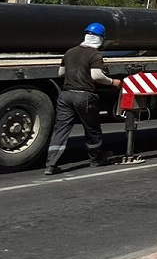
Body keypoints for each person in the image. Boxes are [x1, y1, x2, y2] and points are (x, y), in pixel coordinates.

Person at [45, 22, 122, 175]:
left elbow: (61, 73)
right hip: (84, 96)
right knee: (92, 129)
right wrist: (113, 82)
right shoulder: (95, 55)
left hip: (66, 95)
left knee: (61, 129)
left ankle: (51, 164)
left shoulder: (70, 52)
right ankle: (96, 158)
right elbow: (96, 76)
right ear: (100, 39)